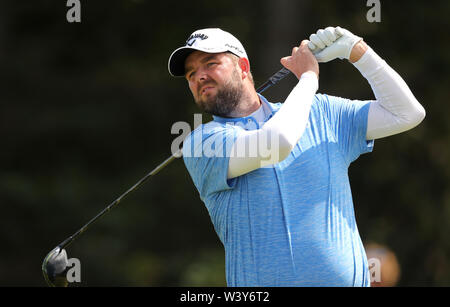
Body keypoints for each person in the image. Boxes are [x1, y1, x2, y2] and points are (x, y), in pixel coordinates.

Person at [167, 27, 425, 286]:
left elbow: (406, 113)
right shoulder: (201, 143)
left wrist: (356, 51)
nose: (199, 76)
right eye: (191, 74)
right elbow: (276, 143)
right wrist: (309, 78)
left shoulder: (321, 111)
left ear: (242, 67)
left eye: (210, 63)